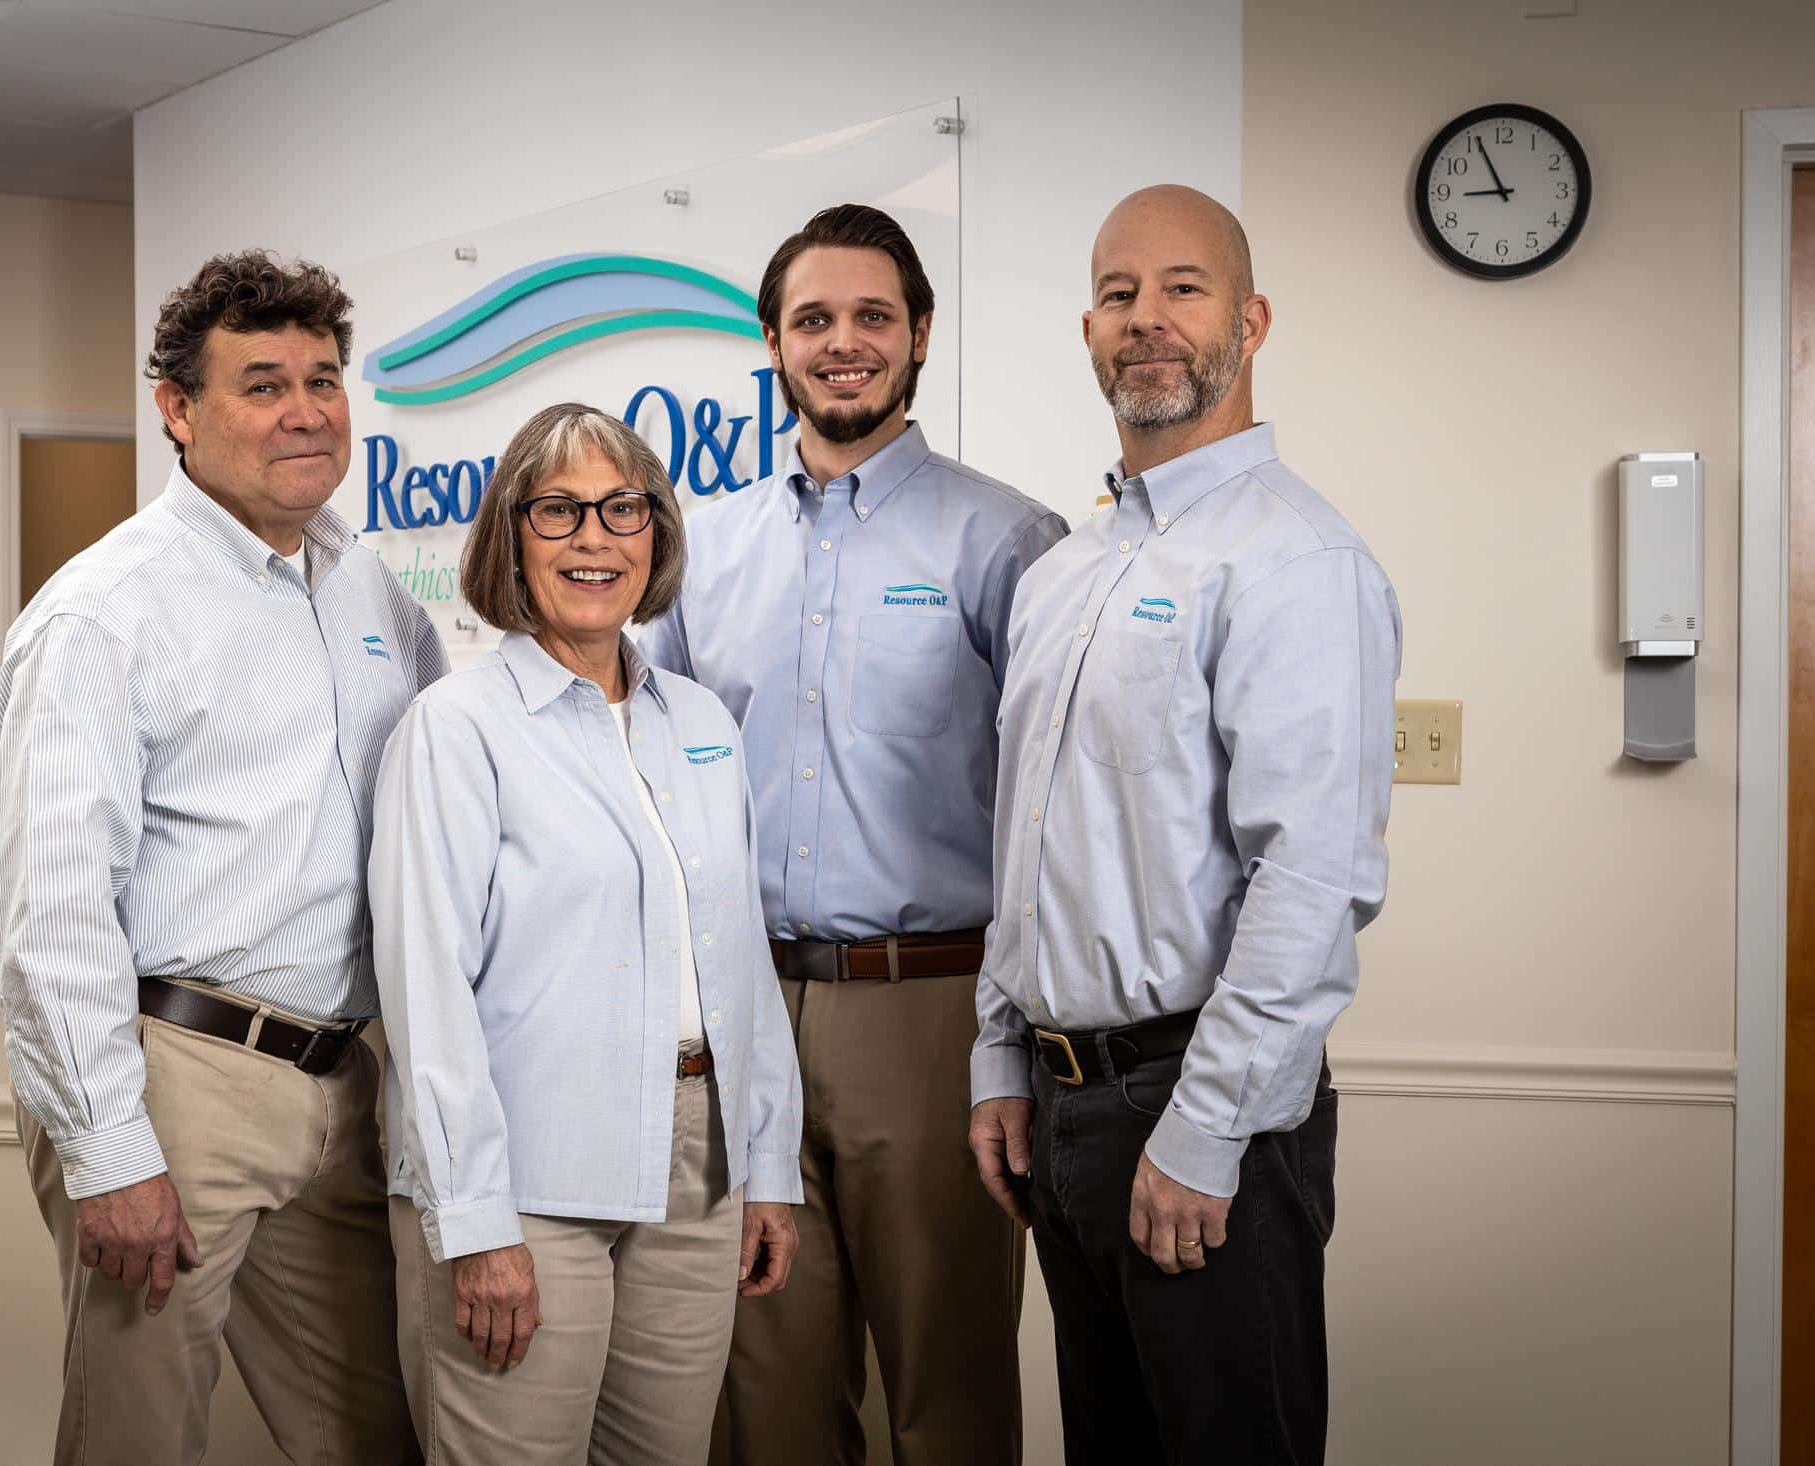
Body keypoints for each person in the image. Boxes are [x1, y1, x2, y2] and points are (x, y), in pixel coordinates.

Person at [0, 250, 440, 1466]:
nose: (305, 409)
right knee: (138, 1436)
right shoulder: (102, 613)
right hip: (178, 1077)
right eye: (261, 384)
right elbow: (49, 912)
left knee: (375, 1429)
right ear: (177, 411)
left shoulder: (371, 591)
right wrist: (110, 1150)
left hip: (343, 1080)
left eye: (324, 378)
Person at [968, 185, 1401, 1465]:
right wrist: (1002, 1058)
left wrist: (1204, 1131)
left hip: (1203, 1109)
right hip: (1063, 1111)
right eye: (1117, 294)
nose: (1145, 319)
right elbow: (1029, 845)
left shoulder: (1295, 562)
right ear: (1088, 330)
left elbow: (1310, 875)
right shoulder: (1065, 572)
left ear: (1251, 320)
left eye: (1182, 288)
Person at [639, 203, 1066, 1466]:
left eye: (871, 316)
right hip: (741, 1007)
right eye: (812, 319)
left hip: (930, 1014)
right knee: (764, 1391)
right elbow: (637, 774)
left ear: (918, 335)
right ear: (770, 342)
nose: (842, 343)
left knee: (947, 1390)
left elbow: (1050, 818)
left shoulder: (1007, 540)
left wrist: (1005, 1044)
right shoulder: (700, 550)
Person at [371, 401, 805, 1465]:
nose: (594, 538)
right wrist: (473, 1221)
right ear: (510, 538)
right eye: (558, 510)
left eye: (622, 507)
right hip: (526, 1177)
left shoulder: (699, 722)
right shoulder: (457, 727)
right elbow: (426, 991)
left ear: (656, 530)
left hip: (696, 1167)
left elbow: (737, 954)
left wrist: (768, 1164)